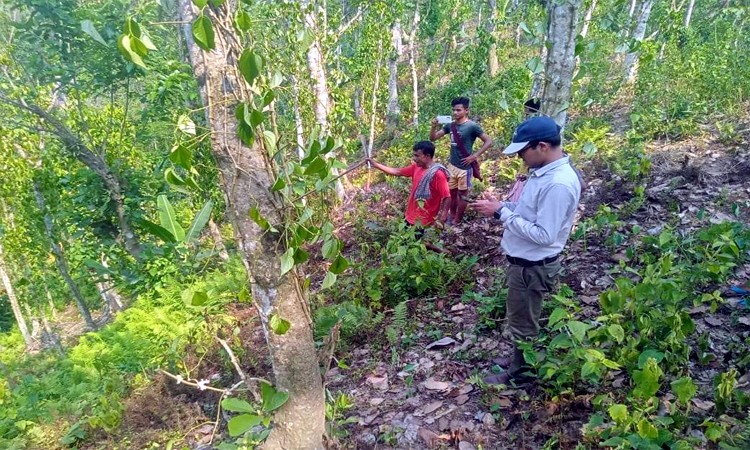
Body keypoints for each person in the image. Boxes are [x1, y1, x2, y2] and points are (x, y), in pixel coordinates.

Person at [469, 116, 581, 386]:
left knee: (524, 321)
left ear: (542, 146)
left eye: (523, 151)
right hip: (524, 262)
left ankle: (521, 375)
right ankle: (520, 359)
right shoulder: (543, 175)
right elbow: (530, 212)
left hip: (534, 265)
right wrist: (502, 206)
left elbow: (545, 235)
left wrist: (501, 215)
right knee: (521, 315)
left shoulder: (558, 184)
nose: (520, 157)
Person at [429, 97, 493, 225]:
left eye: (458, 110)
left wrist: (474, 156)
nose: (455, 113)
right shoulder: (450, 126)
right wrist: (433, 127)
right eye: (453, 110)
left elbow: (489, 141)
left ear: (466, 110)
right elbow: (433, 138)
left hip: (465, 167)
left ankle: (458, 219)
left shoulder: (472, 126)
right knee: (451, 193)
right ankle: (452, 216)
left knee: (462, 195)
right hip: (452, 165)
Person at [368, 141, 451, 231]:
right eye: (414, 155)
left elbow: (447, 197)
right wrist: (375, 164)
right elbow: (398, 172)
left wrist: (443, 214)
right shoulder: (416, 167)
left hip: (424, 219)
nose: (414, 158)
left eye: (417, 155)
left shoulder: (438, 174)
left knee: (416, 243)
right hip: (410, 214)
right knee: (407, 240)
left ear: (427, 156)